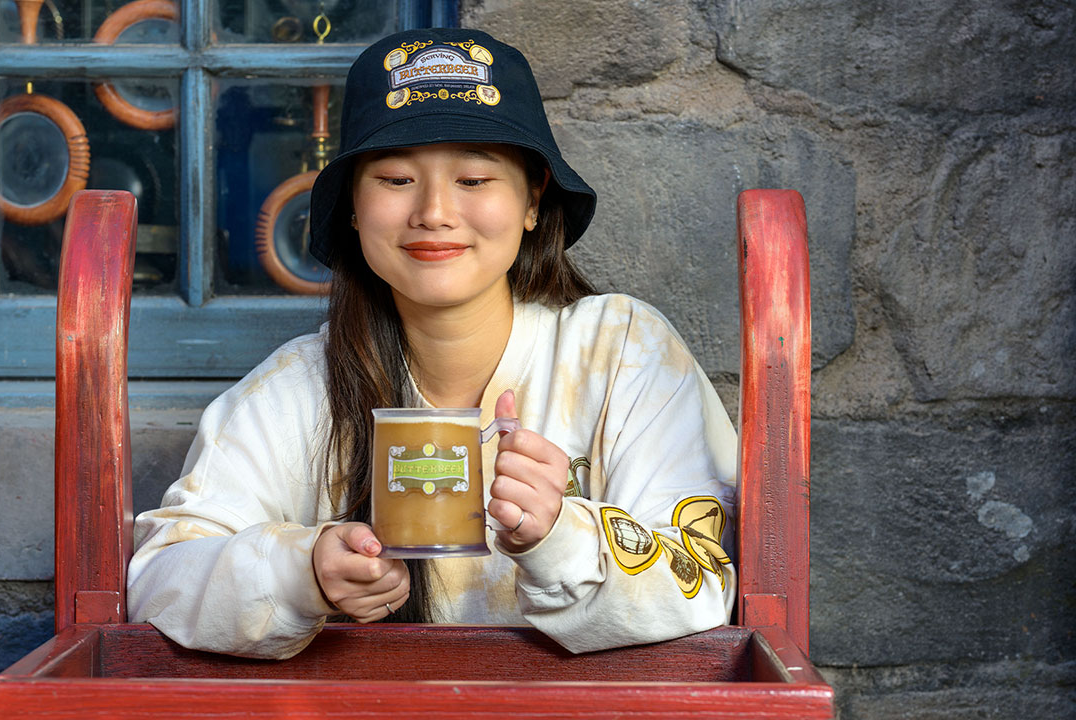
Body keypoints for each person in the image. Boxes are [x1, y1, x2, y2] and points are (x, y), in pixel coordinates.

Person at [127, 27, 737, 660]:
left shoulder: (622, 352)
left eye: (473, 179)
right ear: (353, 207)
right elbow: (159, 583)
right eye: (395, 179)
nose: (434, 212)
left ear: (533, 199)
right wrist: (302, 571)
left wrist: (559, 537)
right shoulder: (300, 387)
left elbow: (706, 580)